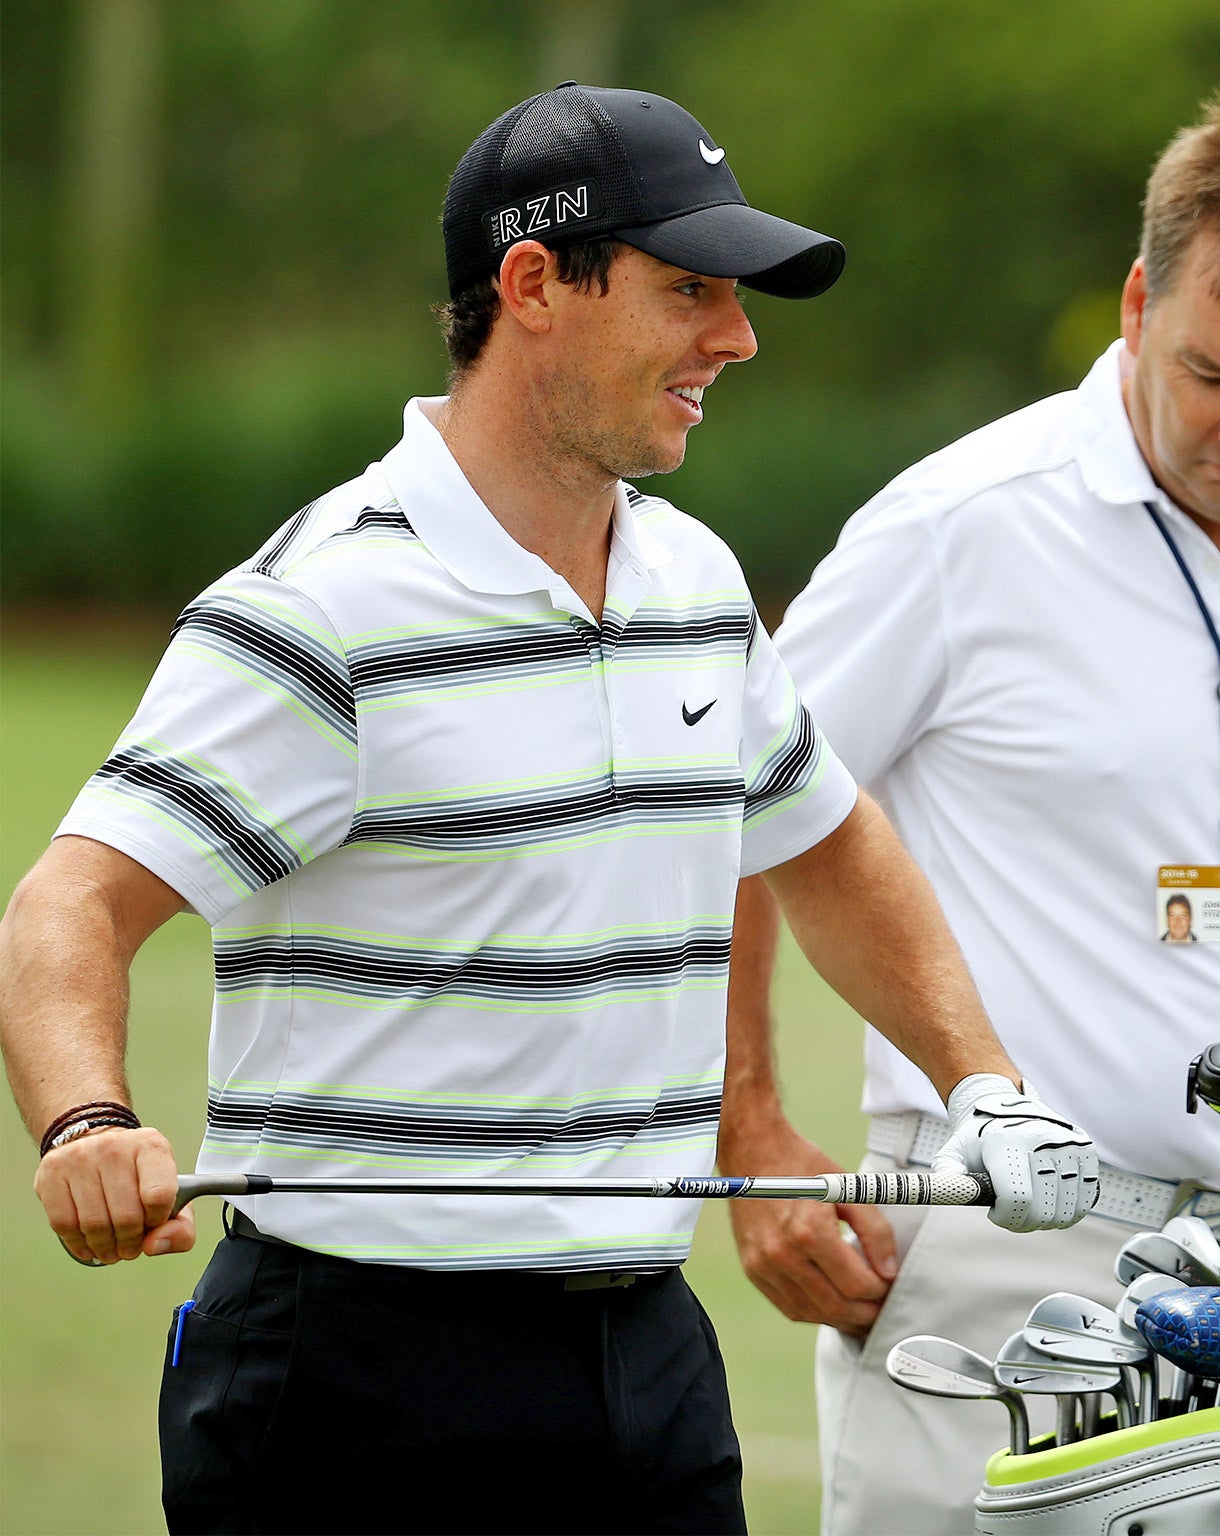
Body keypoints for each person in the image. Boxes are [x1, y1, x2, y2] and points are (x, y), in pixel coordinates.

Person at [0, 84, 1099, 1536]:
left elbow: (825, 842)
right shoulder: (322, 606)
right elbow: (72, 902)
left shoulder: (693, 583)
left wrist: (986, 1087)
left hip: (647, 1353)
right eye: (688, 290)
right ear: (533, 286)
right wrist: (85, 1119)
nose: (738, 337)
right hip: (352, 1374)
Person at [715, 91, 1220, 1534]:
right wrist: (752, 1127)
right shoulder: (958, 524)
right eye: (1211, 372)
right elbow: (728, 809)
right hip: (986, 1248)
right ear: (1139, 300)